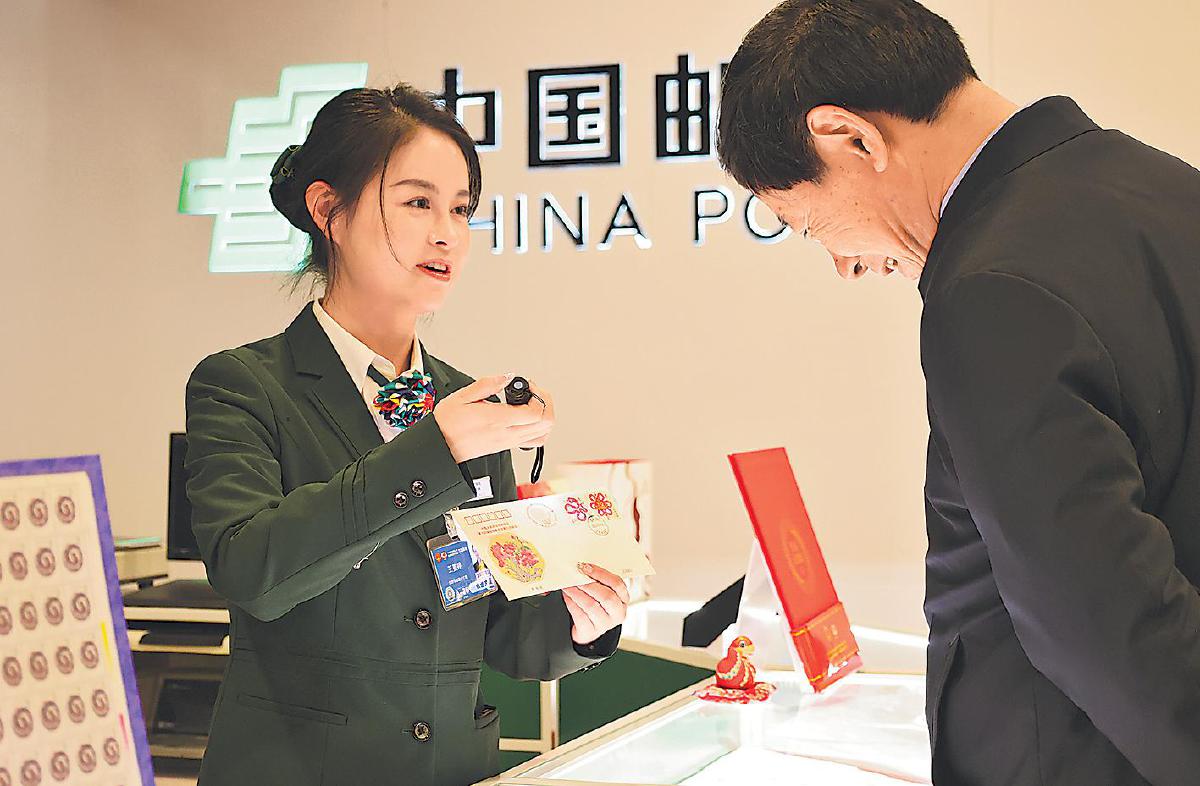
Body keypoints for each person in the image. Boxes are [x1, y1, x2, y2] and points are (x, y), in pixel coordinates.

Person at [717, 1, 1200, 784]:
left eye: (806, 224)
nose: (844, 265)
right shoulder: (1169, 188)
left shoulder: (989, 287)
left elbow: (1105, 630)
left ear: (850, 137)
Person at [184, 83, 627, 786]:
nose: (447, 232)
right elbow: (254, 573)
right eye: (418, 203)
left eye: (461, 209)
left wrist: (582, 621)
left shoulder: (466, 403)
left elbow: (503, 633)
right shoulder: (242, 385)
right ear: (328, 210)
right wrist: (435, 449)